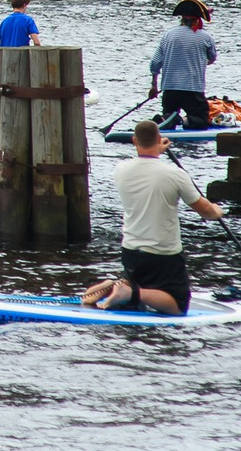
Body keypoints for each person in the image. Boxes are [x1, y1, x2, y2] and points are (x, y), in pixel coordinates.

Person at [81, 119, 223, 314]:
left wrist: (156, 149)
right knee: (178, 306)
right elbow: (205, 211)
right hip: (163, 254)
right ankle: (131, 293)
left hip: (131, 251)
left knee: (136, 281)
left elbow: (147, 167)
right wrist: (218, 211)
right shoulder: (175, 174)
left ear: (134, 141)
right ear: (158, 139)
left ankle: (117, 285)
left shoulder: (121, 169)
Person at [146, 0, 218, 131]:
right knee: (201, 120)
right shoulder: (206, 37)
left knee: (168, 117)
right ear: (198, 19)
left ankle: (165, 119)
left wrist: (154, 87)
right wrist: (199, 61)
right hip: (192, 89)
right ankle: (179, 119)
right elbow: (212, 58)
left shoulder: (168, 35)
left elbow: (155, 62)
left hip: (169, 89)